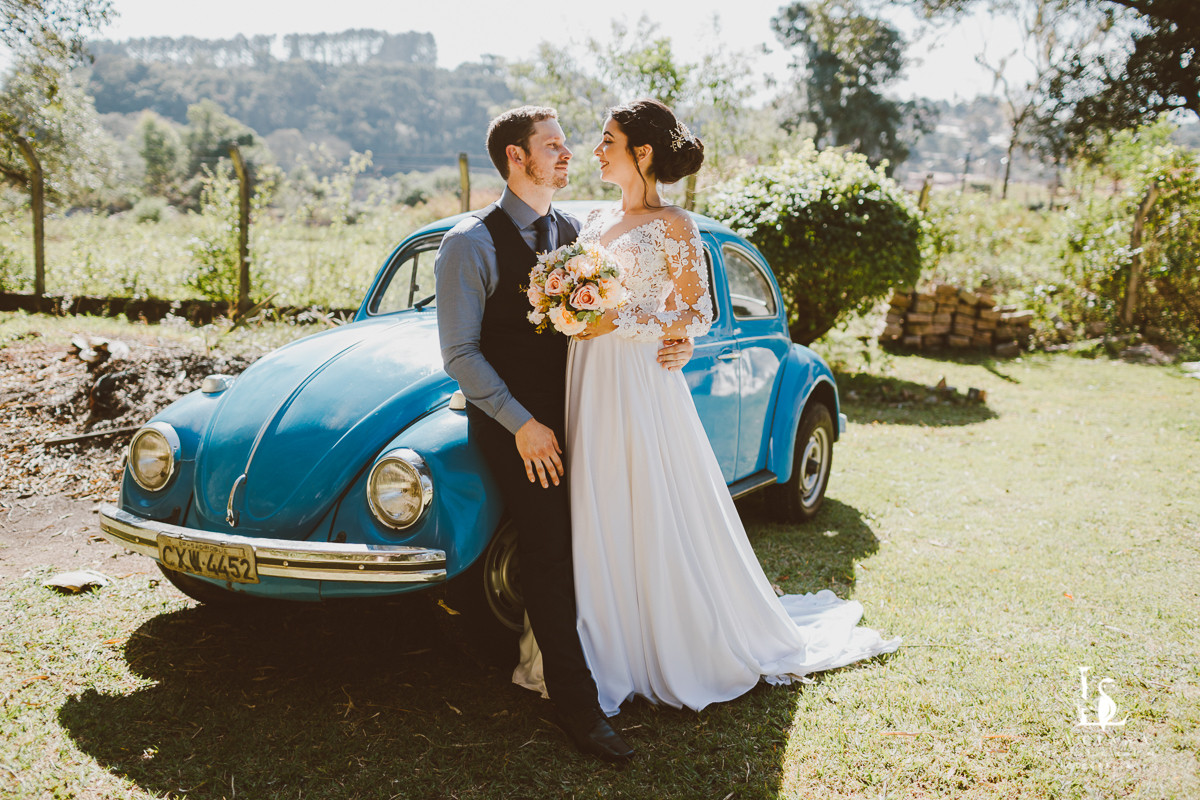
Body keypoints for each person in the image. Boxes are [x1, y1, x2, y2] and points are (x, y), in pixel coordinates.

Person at [513, 99, 902, 718]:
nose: (595, 151)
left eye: (607, 140)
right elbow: (573, 299)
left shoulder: (676, 227)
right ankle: (594, 644)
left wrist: (628, 321)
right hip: (585, 377)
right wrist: (567, 308)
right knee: (594, 499)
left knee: (645, 498)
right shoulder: (589, 224)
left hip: (639, 380)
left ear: (641, 153)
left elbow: (698, 312)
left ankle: (660, 644)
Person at [434, 105, 694, 762]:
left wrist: (675, 335)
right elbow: (460, 355)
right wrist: (522, 426)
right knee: (550, 553)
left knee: (603, 540)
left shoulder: (581, 231)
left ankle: (628, 659)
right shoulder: (469, 242)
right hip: (523, 429)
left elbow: (643, 307)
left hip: (590, 411)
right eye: (553, 145)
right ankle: (579, 708)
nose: (569, 154)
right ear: (516, 158)